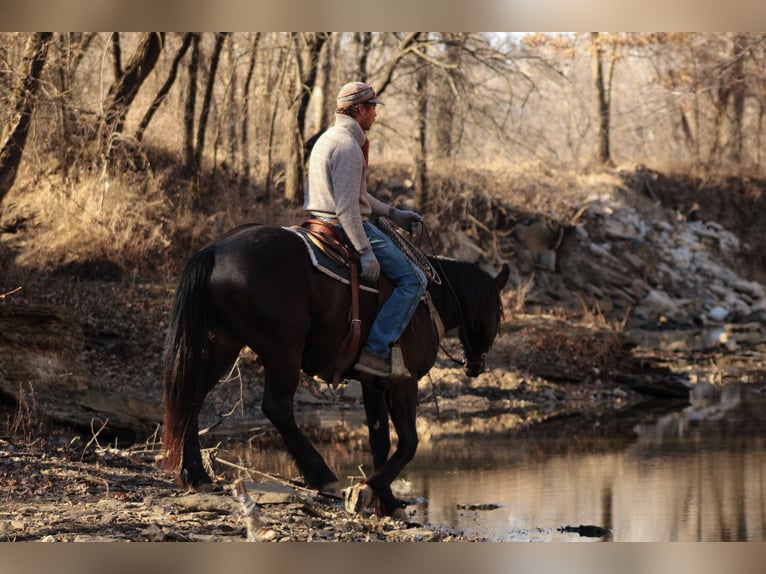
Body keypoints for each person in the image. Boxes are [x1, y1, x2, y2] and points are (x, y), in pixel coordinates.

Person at [305, 81, 426, 378]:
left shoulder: (329, 138)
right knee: (415, 280)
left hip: (320, 220)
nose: (375, 114)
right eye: (372, 108)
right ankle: (375, 351)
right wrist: (365, 251)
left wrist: (393, 213)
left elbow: (356, 195)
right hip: (343, 225)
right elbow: (348, 208)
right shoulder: (348, 147)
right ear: (359, 109)